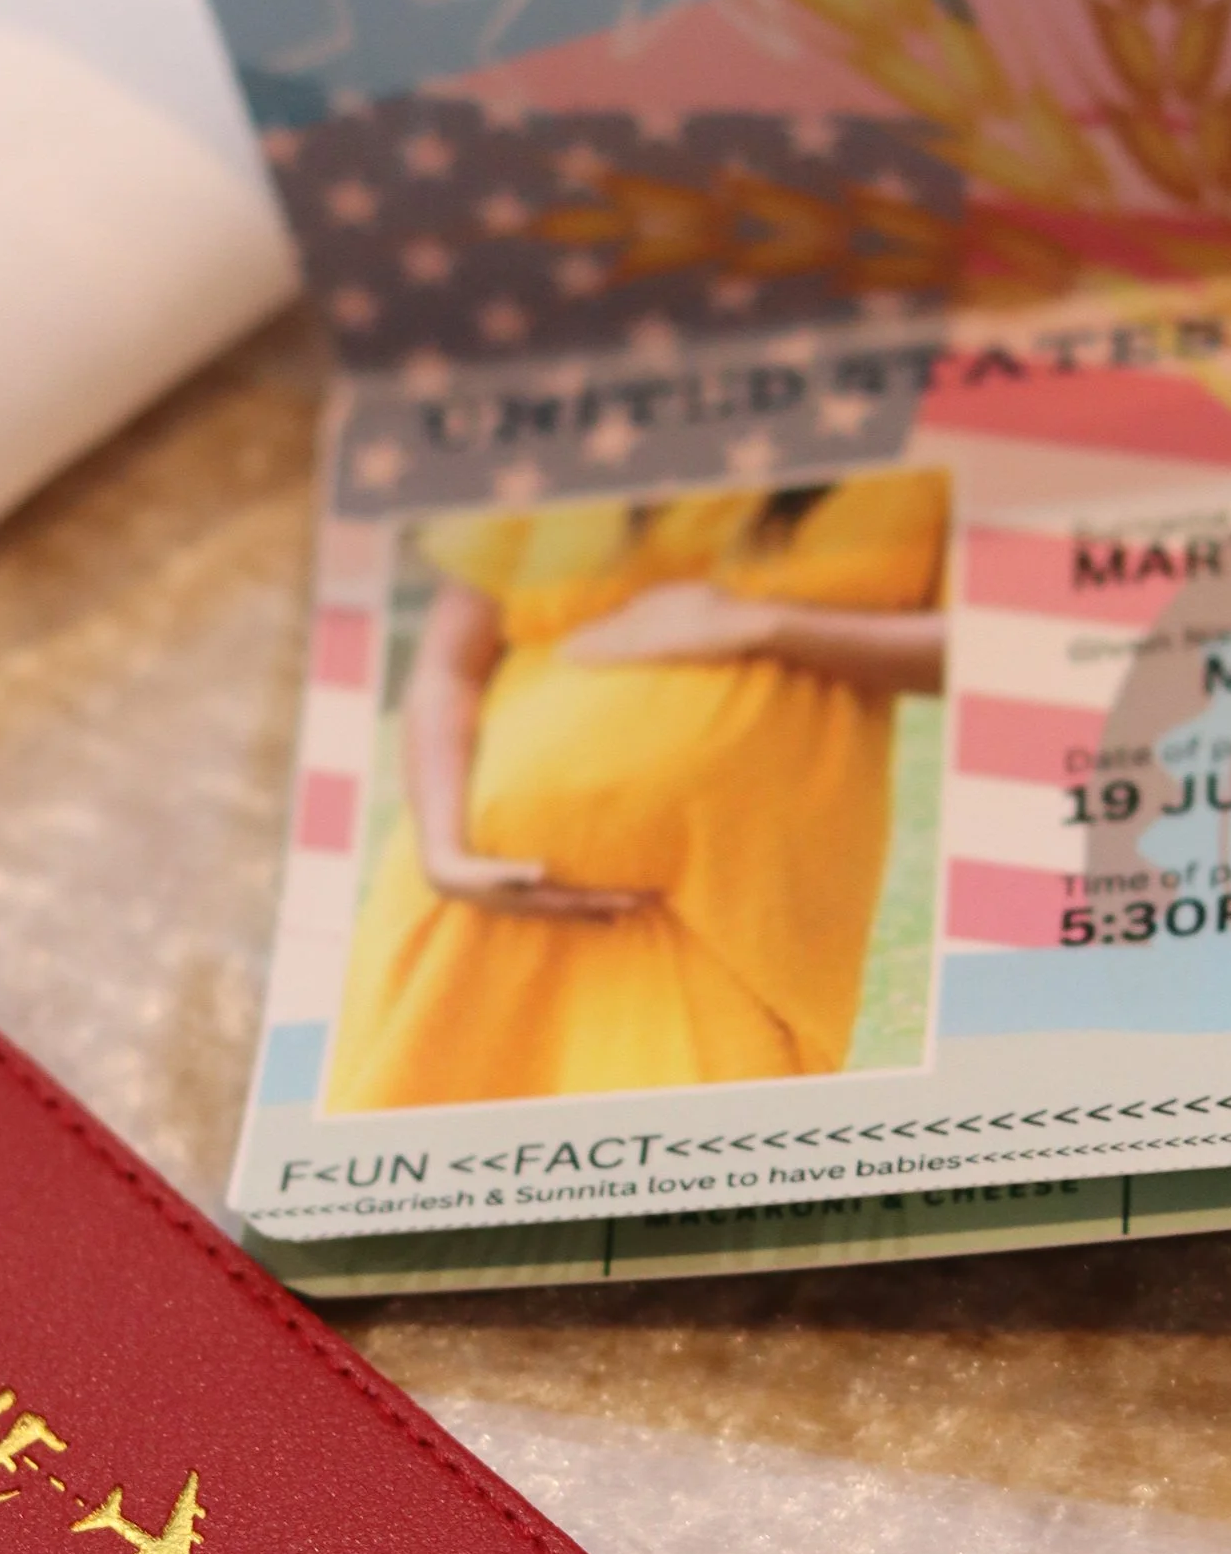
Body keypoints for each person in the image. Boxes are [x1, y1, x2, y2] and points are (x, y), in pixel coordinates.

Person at [324, 467, 949, 1110]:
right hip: (482, 908)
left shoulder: (923, 462)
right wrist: (443, 851)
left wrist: (759, 624)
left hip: (726, 917)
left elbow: (999, 644)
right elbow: (446, 670)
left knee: (709, 1176)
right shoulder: (562, 444)